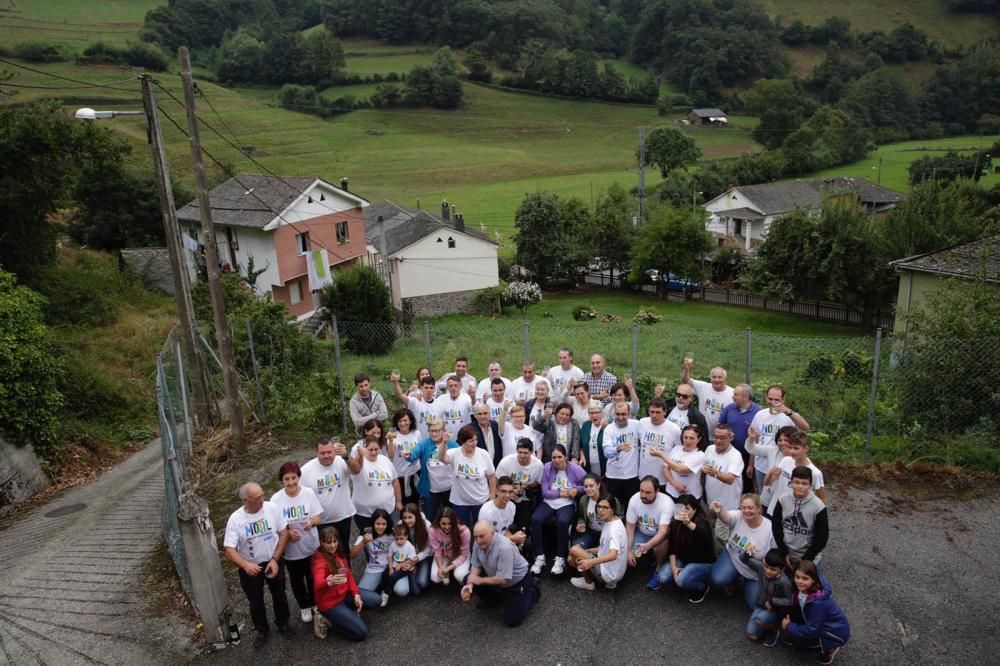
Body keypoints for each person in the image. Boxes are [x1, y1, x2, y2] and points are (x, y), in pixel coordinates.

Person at [223, 482, 294, 649]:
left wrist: (275, 559)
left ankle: (283, 623)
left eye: (263, 495)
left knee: (279, 594)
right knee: (255, 600)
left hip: (273, 560)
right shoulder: (236, 519)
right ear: (245, 500)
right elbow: (229, 550)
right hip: (250, 565)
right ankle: (262, 630)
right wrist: (246, 565)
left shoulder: (272, 508)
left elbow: (284, 533)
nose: (263, 500)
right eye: (258, 497)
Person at [270, 462, 324, 624]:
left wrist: (311, 523)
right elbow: (274, 525)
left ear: (298, 477)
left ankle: (315, 603)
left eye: (294, 478)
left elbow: (318, 517)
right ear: (282, 480)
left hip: (311, 544)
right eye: (287, 479)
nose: (291, 482)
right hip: (292, 549)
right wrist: (287, 531)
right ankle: (304, 606)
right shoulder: (276, 500)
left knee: (313, 576)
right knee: (296, 578)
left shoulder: (308, 493)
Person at [462, 521, 540, 627]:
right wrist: (470, 584)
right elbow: (476, 565)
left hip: (516, 582)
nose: (478, 540)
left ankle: (532, 591)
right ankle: (496, 600)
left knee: (512, 621)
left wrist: (478, 580)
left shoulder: (505, 547)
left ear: (492, 533)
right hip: (497, 579)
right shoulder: (478, 543)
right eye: (475, 537)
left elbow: (502, 579)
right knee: (468, 578)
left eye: (481, 536)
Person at [312, 528, 382, 642]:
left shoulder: (339, 554)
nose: (333, 545)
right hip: (331, 604)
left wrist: (356, 595)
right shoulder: (319, 561)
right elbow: (318, 583)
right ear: (321, 543)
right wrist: (330, 581)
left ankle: (347, 614)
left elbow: (349, 576)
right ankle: (325, 620)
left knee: (376, 599)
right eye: (328, 542)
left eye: (335, 541)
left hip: (345, 595)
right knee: (361, 633)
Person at [708, 493, 776, 610]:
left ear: (759, 509)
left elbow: (774, 556)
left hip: (754, 572)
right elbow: (726, 517)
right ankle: (731, 580)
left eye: (750, 508)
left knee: (755, 604)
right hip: (733, 557)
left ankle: (747, 582)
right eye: (743, 508)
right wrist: (719, 509)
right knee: (717, 579)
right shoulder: (739, 516)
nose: (746, 511)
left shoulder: (769, 529)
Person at [529, 445, 586, 576]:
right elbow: (545, 493)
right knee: (535, 519)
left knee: (563, 521)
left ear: (565, 457)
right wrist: (564, 493)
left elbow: (587, 484)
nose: (556, 460)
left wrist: (577, 490)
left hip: (567, 504)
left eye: (560, 457)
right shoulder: (548, 467)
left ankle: (560, 558)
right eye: (554, 457)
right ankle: (540, 556)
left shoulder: (576, 469)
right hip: (549, 502)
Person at [782, 560, 851, 664]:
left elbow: (811, 630)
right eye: (797, 577)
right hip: (820, 623)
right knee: (793, 616)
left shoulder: (818, 603)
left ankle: (830, 649)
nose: (799, 581)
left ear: (814, 580)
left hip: (833, 634)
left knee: (799, 644)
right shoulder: (806, 589)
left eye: (805, 578)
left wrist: (789, 626)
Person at [651, 493, 716, 601]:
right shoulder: (675, 523)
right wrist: (673, 568)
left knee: (681, 580)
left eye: (687, 509)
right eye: (680, 508)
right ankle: (685, 575)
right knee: (663, 577)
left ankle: (702, 586)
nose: (683, 512)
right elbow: (672, 548)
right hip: (684, 559)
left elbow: (704, 536)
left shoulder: (702, 523)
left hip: (702, 562)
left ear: (695, 509)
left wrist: (688, 523)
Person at [748, 384, 811, 491]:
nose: (772, 402)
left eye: (776, 399)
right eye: (770, 399)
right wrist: (751, 464)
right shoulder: (760, 414)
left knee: (780, 494)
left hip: (782, 465)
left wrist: (789, 412)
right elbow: (755, 440)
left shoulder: (789, 416)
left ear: (783, 399)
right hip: (761, 465)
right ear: (766, 397)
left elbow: (806, 427)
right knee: (764, 494)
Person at [301, 437, 355, 556]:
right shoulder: (305, 471)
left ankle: (346, 573)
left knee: (343, 550)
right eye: (323, 453)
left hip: (343, 517)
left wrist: (347, 456)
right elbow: (300, 497)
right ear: (316, 452)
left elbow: (357, 470)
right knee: (324, 555)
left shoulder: (342, 461)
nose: (327, 456)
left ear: (334, 451)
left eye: (329, 452)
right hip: (321, 522)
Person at [772, 466, 829, 572]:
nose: (800, 486)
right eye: (796, 482)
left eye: (804, 483)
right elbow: (776, 526)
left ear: (810, 486)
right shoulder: (782, 500)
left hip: (809, 558)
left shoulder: (818, 506)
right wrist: (784, 552)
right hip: (786, 553)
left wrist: (805, 559)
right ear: (791, 483)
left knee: (809, 586)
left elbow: (821, 538)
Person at [439, 425, 497, 527]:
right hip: (460, 501)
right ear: (462, 442)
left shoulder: (483, 454)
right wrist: (444, 443)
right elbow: (442, 458)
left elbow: (492, 477)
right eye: (470, 441)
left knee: (481, 528)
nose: (474, 443)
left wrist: (492, 498)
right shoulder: (454, 453)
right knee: (461, 529)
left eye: (475, 440)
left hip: (480, 500)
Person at [567, 496, 628, 591]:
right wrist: (586, 551)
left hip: (609, 573)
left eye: (605, 507)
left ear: (612, 509)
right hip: (612, 568)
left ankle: (589, 582)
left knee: (574, 550)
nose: (600, 510)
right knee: (571, 559)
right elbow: (603, 547)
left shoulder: (614, 530)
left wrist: (590, 561)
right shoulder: (613, 520)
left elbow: (613, 555)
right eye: (599, 507)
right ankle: (606, 581)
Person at [407, 418, 459, 524]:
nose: (434, 434)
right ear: (428, 431)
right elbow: (414, 452)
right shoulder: (425, 444)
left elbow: (462, 456)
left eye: (437, 430)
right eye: (431, 431)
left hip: (450, 489)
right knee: (430, 519)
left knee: (451, 518)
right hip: (431, 490)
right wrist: (409, 455)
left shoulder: (452, 444)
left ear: (443, 431)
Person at [347, 435, 403, 533]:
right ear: (365, 448)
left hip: (388, 510)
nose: (374, 452)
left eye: (376, 449)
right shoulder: (359, 461)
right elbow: (356, 468)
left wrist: (398, 501)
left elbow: (395, 480)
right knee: (369, 541)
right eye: (370, 450)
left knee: (390, 537)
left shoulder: (384, 460)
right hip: (365, 514)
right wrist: (360, 456)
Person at [765, 430, 828, 516]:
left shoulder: (815, 473)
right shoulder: (785, 460)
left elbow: (822, 498)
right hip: (776, 509)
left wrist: (812, 515)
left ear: (806, 448)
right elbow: (767, 483)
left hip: (795, 517)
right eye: (790, 447)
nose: (792, 451)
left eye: (796, 448)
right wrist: (771, 473)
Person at [625, 476, 674, 586]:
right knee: (628, 560)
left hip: (659, 535)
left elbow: (663, 531)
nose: (643, 495)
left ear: (657, 491)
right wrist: (628, 551)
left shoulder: (666, 503)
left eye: (648, 492)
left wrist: (648, 546)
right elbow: (630, 527)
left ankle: (658, 568)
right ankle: (649, 557)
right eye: (641, 491)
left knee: (660, 545)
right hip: (642, 532)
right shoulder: (634, 499)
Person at [741, 548, 794, 647]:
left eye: (773, 569)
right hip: (759, 604)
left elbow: (790, 600)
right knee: (752, 636)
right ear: (764, 562)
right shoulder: (761, 567)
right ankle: (763, 624)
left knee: (761, 619)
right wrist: (749, 551)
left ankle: (773, 630)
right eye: (767, 566)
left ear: (782, 569)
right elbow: (743, 559)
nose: (768, 571)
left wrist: (772, 601)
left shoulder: (785, 582)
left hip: (773, 609)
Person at [718, 383, 763, 493]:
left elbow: (759, 437)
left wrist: (751, 464)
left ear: (745, 397)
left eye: (736, 394)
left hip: (748, 455)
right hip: (730, 452)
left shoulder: (758, 412)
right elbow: (720, 426)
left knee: (746, 482)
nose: (732, 397)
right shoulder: (729, 408)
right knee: (730, 480)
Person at [681, 356, 734, 444]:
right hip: (702, 435)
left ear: (725, 378)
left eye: (720, 377)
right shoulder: (703, 387)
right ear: (710, 378)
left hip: (720, 439)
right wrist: (687, 369)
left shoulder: (732, 393)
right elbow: (686, 381)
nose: (717, 380)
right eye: (714, 377)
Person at [495, 439, 544, 534]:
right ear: (516, 450)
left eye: (525, 453)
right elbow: (498, 481)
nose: (522, 455)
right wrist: (511, 491)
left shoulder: (538, 465)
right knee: (505, 527)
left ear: (531, 452)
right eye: (520, 452)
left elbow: (539, 482)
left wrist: (525, 486)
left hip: (526, 499)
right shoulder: (506, 462)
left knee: (523, 528)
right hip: (507, 497)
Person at [349, 508, 394, 607]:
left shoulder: (392, 534)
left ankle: (385, 588)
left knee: (402, 590)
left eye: (384, 524)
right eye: (378, 524)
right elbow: (351, 555)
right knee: (361, 596)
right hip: (374, 569)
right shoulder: (366, 534)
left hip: (390, 568)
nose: (381, 527)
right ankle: (381, 587)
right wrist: (363, 542)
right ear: (373, 523)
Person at [638, 397, 682, 488]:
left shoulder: (674, 429)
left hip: (663, 478)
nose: (654, 415)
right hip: (643, 475)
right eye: (652, 412)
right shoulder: (642, 423)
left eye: (658, 412)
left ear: (665, 412)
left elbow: (679, 452)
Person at [749, 425, 797, 508]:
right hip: (767, 498)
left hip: (786, 502)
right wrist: (751, 438)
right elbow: (751, 449)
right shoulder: (772, 450)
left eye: (786, 440)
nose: (782, 443)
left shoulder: (799, 457)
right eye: (780, 440)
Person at [603, 401, 641, 506]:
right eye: (618, 414)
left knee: (630, 507)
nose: (620, 417)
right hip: (613, 476)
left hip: (631, 476)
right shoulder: (609, 429)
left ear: (629, 414)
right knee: (613, 506)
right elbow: (606, 452)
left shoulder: (636, 425)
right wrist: (617, 449)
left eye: (623, 414)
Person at [573, 473, 623, 550]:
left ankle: (592, 560)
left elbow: (620, 517)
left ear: (598, 485)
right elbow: (581, 516)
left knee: (596, 554)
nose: (588, 489)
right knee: (573, 553)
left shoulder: (610, 500)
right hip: (591, 532)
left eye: (591, 486)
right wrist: (581, 523)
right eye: (586, 486)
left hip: (607, 533)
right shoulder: (583, 500)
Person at [704, 424, 746, 512]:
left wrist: (714, 473)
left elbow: (730, 479)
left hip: (728, 507)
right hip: (711, 502)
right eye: (716, 437)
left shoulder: (735, 456)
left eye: (722, 437)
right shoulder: (709, 449)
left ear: (731, 438)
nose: (718, 441)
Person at [480, 476, 529, 549]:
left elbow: (504, 530)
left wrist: (516, 539)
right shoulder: (486, 510)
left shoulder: (512, 507)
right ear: (496, 491)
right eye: (503, 491)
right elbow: (485, 539)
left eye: (510, 491)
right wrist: (512, 539)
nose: (507, 495)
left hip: (502, 543)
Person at [662, 424, 709, 501]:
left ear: (699, 439)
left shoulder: (700, 455)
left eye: (692, 438)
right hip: (671, 491)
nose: (688, 441)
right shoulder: (676, 449)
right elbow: (665, 468)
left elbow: (681, 470)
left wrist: (662, 456)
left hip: (689, 496)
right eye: (685, 437)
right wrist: (674, 483)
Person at [429, 507, 471, 586]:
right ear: (439, 522)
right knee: (435, 577)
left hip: (460, 555)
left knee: (460, 576)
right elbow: (437, 551)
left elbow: (464, 554)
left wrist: (449, 567)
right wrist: (441, 568)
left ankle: (467, 573)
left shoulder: (464, 531)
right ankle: (447, 571)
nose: (447, 527)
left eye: (450, 523)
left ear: (454, 522)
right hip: (444, 555)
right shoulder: (433, 530)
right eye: (443, 524)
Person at [389, 408, 423, 506]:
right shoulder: (393, 435)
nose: (403, 423)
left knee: (415, 502)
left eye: (405, 420)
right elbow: (390, 455)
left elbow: (420, 451)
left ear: (410, 421)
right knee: (402, 503)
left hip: (415, 472)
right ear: (396, 423)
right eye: (400, 421)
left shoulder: (416, 433)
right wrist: (391, 441)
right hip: (400, 475)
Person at [399, 503, 433, 593]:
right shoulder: (400, 525)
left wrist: (418, 558)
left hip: (424, 556)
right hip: (409, 558)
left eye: (410, 517)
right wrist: (408, 561)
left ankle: (426, 570)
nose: (407, 520)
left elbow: (430, 548)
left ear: (416, 516)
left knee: (422, 583)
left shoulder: (426, 525)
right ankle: (412, 571)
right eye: (405, 518)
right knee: (415, 591)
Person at [391, 372, 437, 438]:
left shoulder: (439, 403)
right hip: (417, 442)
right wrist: (395, 383)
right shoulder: (415, 402)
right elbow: (400, 396)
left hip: (433, 442)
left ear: (434, 389)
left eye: (431, 388)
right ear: (421, 388)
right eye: (426, 388)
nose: (429, 390)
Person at [433, 374, 473, 440]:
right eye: (450, 386)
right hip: (447, 438)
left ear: (460, 386)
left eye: (455, 385)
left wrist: (473, 398)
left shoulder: (467, 398)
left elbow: (475, 410)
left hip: (464, 438)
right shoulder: (440, 399)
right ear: (447, 387)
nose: (453, 388)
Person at [385, 524, 419, 597]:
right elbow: (389, 556)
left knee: (415, 592)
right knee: (385, 575)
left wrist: (401, 565)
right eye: (396, 539)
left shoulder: (409, 546)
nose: (399, 541)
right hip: (395, 566)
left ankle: (386, 592)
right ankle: (388, 589)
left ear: (406, 537)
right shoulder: (393, 544)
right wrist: (390, 568)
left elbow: (411, 560)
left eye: (401, 538)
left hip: (406, 568)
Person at [579, 400, 607, 477]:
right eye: (591, 413)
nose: (594, 415)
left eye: (597, 412)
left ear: (602, 413)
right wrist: (582, 456)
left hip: (604, 466)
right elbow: (580, 444)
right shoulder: (585, 426)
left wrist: (606, 428)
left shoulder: (608, 427)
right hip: (588, 465)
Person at [471, 401, 503, 467]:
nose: (483, 416)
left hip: (495, 468)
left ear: (490, 414)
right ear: (475, 415)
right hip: (478, 468)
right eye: (479, 414)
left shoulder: (495, 425)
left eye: (485, 413)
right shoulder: (469, 429)